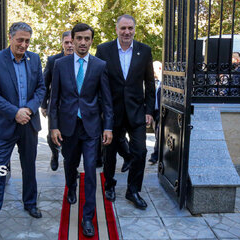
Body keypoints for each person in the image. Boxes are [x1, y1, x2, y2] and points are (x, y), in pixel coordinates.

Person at [0, 22, 45, 238]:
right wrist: (15, 112)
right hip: (5, 125)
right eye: (20, 40)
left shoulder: (34, 59)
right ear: (10, 37)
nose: (24, 44)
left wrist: (29, 109)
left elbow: (41, 88)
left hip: (29, 124)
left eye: (27, 41)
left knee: (29, 167)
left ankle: (30, 203)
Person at [49, 23, 113, 237]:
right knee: (70, 163)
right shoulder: (60, 64)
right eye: (79, 38)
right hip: (68, 126)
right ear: (72, 40)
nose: (83, 42)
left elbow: (106, 100)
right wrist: (54, 126)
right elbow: (54, 99)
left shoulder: (100, 65)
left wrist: (108, 127)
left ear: (91, 40)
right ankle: (71, 186)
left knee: (91, 173)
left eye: (87, 38)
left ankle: (88, 217)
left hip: (91, 127)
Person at [96, 14, 155, 209]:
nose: (127, 32)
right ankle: (109, 185)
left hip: (137, 112)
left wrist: (149, 110)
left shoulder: (144, 51)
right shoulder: (104, 50)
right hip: (111, 112)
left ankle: (133, 190)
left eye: (130, 28)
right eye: (123, 28)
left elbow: (149, 83)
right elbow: (98, 81)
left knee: (140, 151)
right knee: (109, 153)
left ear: (134, 29)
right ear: (117, 30)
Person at [41, 31, 74, 171]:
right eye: (66, 42)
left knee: (71, 138)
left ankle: (71, 164)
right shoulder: (53, 60)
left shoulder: (81, 60)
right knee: (51, 136)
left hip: (73, 107)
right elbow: (44, 83)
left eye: (72, 42)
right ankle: (55, 154)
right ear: (62, 44)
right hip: (55, 106)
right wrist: (43, 105)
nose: (70, 45)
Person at [148, 61, 162, 165]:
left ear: (160, 69)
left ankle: (155, 156)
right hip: (155, 112)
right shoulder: (154, 82)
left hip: (163, 112)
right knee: (157, 134)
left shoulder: (166, 82)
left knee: (159, 133)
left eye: (154, 70)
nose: (152, 72)